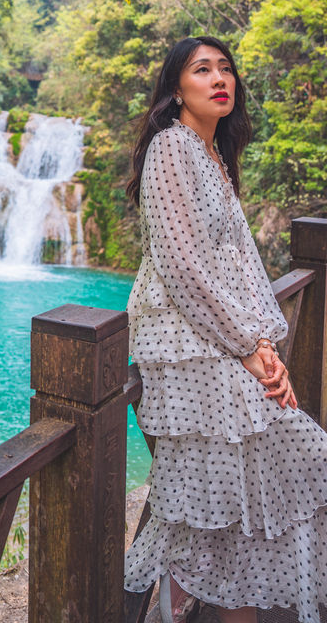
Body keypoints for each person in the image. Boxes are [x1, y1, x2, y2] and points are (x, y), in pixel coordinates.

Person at [123, 35, 327, 623]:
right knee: (217, 498)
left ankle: (220, 605)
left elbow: (240, 266)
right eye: (202, 69)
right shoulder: (170, 148)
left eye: (226, 69)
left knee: (251, 501)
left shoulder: (214, 156)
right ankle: (169, 597)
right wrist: (248, 349)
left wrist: (267, 345)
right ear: (176, 88)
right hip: (185, 344)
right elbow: (182, 266)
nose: (220, 78)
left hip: (227, 341)